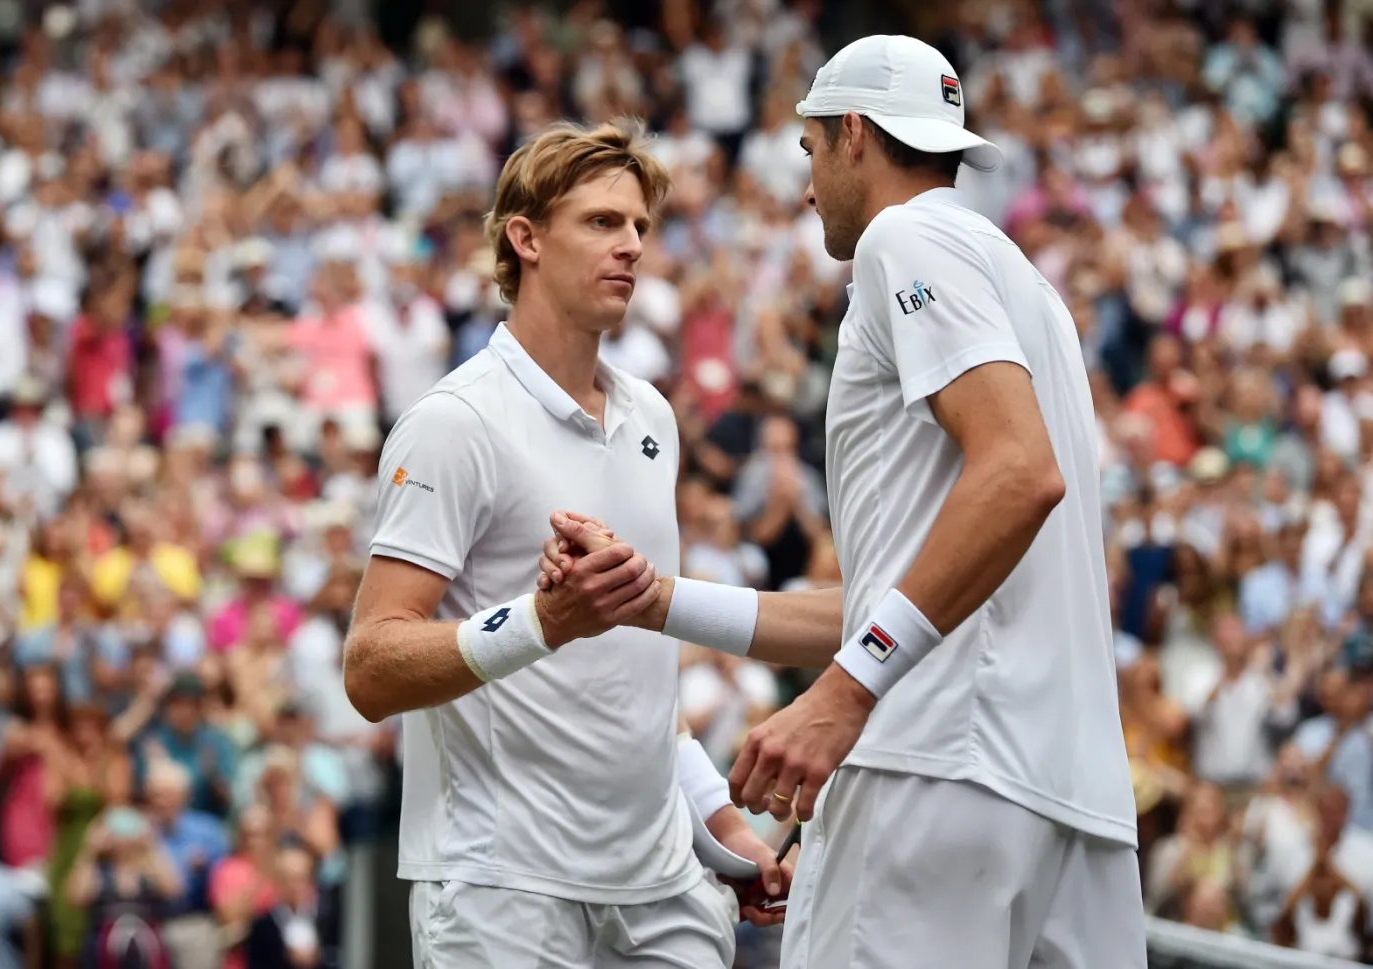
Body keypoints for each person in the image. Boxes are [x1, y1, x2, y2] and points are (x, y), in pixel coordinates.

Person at [540, 36, 1142, 969]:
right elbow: (890, 599)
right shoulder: (1028, 287)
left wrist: (847, 689)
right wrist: (657, 601)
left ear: (854, 134)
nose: (809, 185)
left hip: (932, 767)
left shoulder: (906, 238)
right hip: (1072, 801)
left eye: (811, 149)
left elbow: (1020, 474)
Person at [342, 119, 788, 969]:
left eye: (640, 226)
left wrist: (722, 823)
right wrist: (542, 622)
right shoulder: (453, 422)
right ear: (527, 238)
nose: (632, 246)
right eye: (602, 222)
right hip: (501, 890)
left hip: (665, 887)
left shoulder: (653, 415)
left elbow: (636, 676)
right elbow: (370, 668)